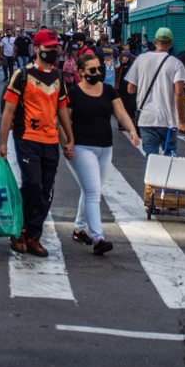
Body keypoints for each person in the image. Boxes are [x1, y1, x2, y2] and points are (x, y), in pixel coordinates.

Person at [0, 29, 75, 258]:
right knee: (32, 184)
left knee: (46, 191)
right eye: (49, 47)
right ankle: (19, 230)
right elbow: (8, 111)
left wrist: (69, 140)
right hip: (27, 138)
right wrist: (3, 143)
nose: (53, 51)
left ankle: (33, 235)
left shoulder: (59, 77)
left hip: (51, 140)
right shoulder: (22, 75)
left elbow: (62, 111)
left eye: (55, 47)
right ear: (37, 49)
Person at [67, 53, 141, 255]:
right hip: (81, 147)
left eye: (99, 69)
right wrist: (67, 143)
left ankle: (79, 228)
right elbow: (64, 121)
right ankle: (98, 237)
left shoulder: (108, 91)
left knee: (92, 189)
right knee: (92, 192)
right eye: (92, 70)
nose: (97, 73)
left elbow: (121, 113)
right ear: (81, 72)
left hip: (105, 147)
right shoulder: (73, 93)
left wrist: (132, 130)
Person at [125, 27, 185, 156]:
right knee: (169, 157)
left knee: (151, 158)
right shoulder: (176, 63)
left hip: (146, 118)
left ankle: (152, 176)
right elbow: (179, 92)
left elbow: (130, 89)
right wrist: (182, 121)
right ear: (171, 43)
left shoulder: (141, 60)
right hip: (168, 119)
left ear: (155, 40)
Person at [115, 47, 137, 122]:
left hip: (128, 89)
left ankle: (129, 119)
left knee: (129, 105)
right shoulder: (118, 66)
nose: (125, 59)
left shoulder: (131, 67)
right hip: (120, 88)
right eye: (123, 57)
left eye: (127, 57)